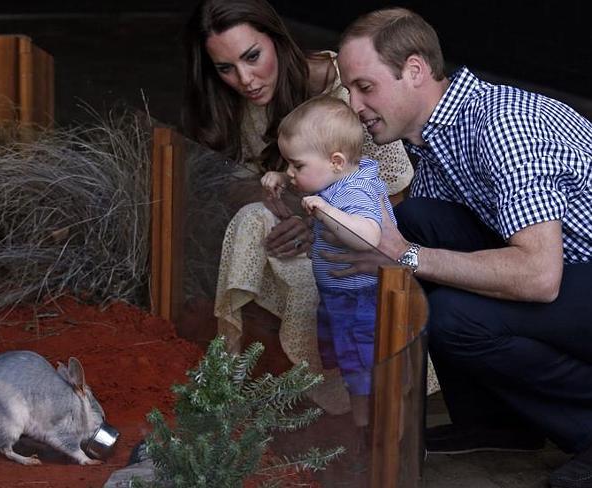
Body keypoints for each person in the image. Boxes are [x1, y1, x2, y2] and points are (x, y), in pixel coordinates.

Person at [329, 7, 592, 487]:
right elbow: (409, 230)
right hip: (571, 277)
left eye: (365, 87)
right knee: (418, 220)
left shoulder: (504, 123)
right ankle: (500, 424)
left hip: (568, 270)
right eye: (349, 91)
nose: (356, 105)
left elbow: (539, 275)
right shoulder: (434, 138)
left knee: (453, 314)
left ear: (414, 70)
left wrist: (407, 253)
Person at [183, 0, 429, 414]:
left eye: (252, 57)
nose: (244, 79)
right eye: (225, 68)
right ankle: (233, 368)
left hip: (362, 250)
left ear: (277, 41)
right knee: (249, 221)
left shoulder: (346, 94)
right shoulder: (239, 100)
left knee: (355, 339)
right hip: (303, 237)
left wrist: (316, 223)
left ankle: (362, 416)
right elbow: (231, 182)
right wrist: (287, 207)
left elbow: (395, 198)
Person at [262, 95, 395, 440]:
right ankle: (363, 425)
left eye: (297, 166)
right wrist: (283, 177)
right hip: (341, 296)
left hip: (362, 300)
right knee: (352, 367)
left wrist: (325, 210)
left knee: (364, 369)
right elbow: (313, 179)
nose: (292, 173)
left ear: (336, 161)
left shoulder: (355, 192)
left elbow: (368, 236)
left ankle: (372, 434)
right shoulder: (338, 178)